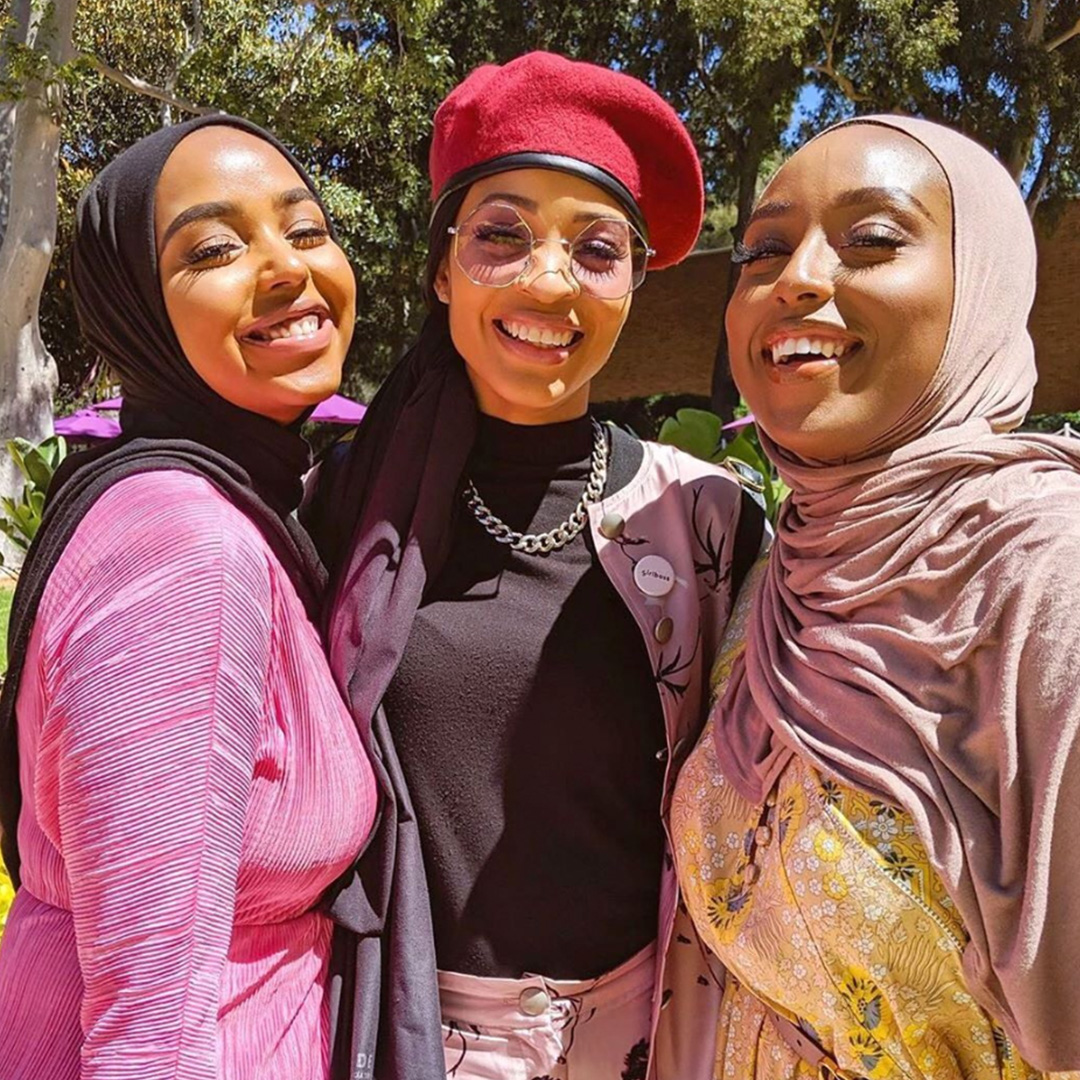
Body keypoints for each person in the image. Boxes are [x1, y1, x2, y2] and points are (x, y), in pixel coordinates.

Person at [306, 51, 767, 1080]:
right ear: (442, 268)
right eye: (502, 235)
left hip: (648, 1036)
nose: (549, 281)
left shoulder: (706, 520)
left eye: (597, 249)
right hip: (401, 1028)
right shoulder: (346, 506)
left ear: (634, 284)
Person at [671, 115, 1080, 1077]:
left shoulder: (1044, 576)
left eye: (874, 239)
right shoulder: (779, 573)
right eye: (762, 250)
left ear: (980, 287)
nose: (798, 278)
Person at [0, 116, 378, 1080]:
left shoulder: (211, 499)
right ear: (135, 308)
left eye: (305, 229)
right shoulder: (184, 548)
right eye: (214, 249)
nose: (286, 267)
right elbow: (148, 1037)